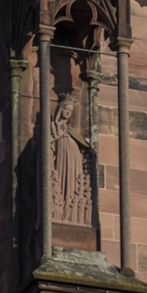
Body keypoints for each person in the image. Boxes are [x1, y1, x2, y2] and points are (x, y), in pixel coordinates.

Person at [51, 92, 92, 225]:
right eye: (66, 109)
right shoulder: (53, 127)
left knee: (73, 182)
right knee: (62, 179)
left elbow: (84, 144)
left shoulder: (71, 130)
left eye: (70, 111)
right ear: (60, 109)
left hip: (73, 157)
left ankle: (70, 208)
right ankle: (61, 208)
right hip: (61, 155)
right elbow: (49, 142)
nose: (68, 112)